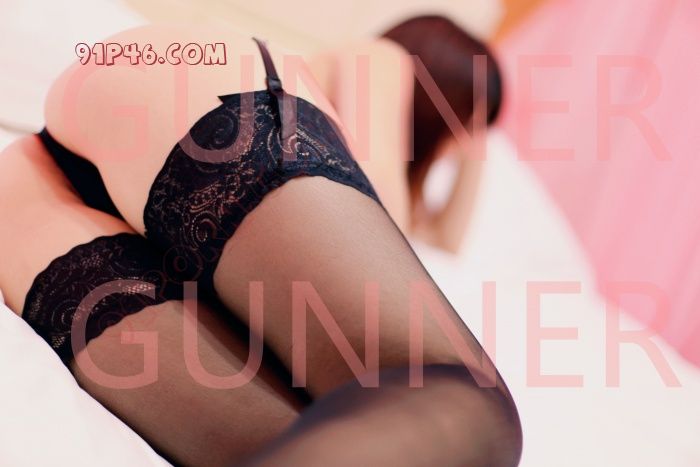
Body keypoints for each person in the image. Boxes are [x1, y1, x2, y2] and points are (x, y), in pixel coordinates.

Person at [0, 23, 520, 466]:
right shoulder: (381, 59)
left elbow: (443, 241)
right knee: (458, 400)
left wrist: (472, 154)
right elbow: (388, 212)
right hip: (185, 97)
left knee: (340, 436)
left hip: (37, 189)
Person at [306, 15, 503, 252]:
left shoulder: (375, 158)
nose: (463, 146)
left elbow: (443, 241)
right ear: (434, 108)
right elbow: (384, 235)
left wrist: (476, 151)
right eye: (465, 126)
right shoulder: (380, 58)